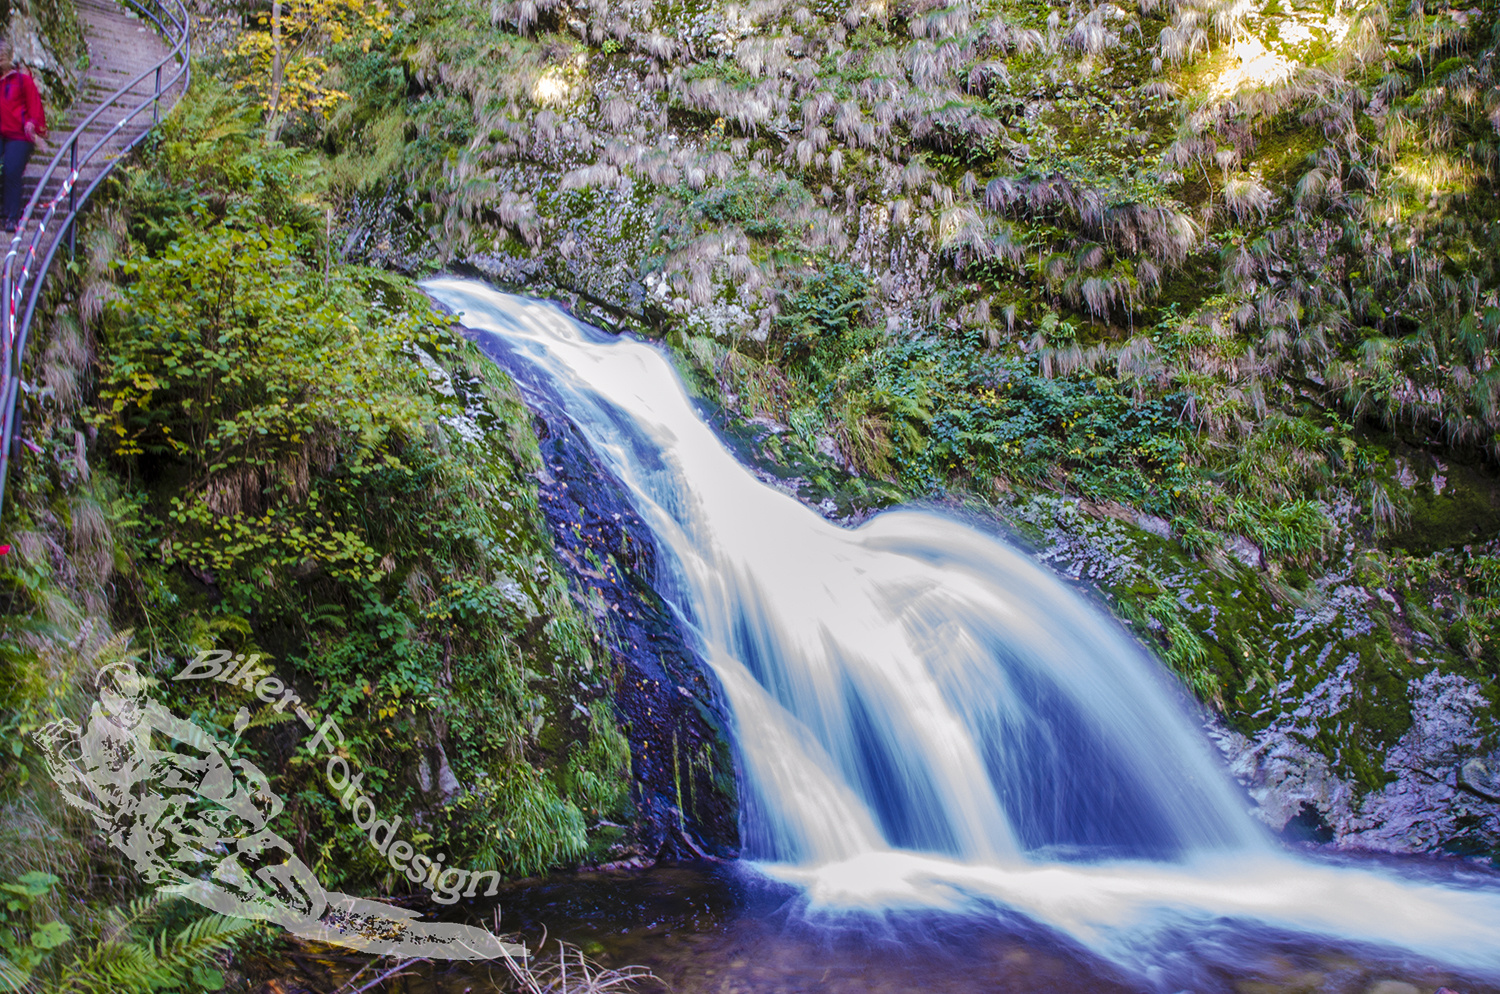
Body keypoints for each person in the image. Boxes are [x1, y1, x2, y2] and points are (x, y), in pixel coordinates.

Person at [0, 40, 45, 230]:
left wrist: (32, 123)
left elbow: (35, 106)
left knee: (11, 169)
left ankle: (12, 216)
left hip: (19, 136)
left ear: (10, 58)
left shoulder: (22, 80)